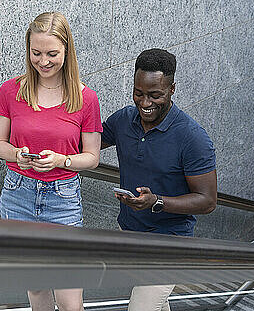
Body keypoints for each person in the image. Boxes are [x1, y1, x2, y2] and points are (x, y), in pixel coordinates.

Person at [0, 12, 102, 311]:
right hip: (18, 194)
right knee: (37, 287)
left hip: (63, 198)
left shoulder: (86, 98)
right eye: (36, 53)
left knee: (70, 301)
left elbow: (92, 157)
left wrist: (62, 160)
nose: (44, 61)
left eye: (52, 53)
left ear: (67, 51)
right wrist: (17, 155)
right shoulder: (10, 90)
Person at [101, 48, 217, 311]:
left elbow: (208, 201)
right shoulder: (123, 120)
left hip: (170, 242)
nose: (145, 102)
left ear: (172, 89)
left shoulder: (193, 138)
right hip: (130, 234)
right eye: (139, 93)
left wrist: (157, 202)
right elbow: (85, 142)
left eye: (155, 95)